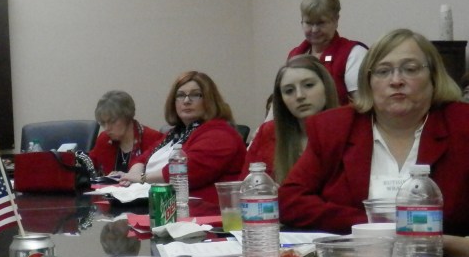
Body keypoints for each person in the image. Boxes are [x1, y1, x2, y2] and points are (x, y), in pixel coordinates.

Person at [280, 28, 469, 236]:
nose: (396, 80)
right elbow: (289, 200)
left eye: (411, 69)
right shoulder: (335, 128)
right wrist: (372, 226)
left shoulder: (462, 125)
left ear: (433, 76)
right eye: (383, 71)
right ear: (368, 81)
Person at [120, 71, 247, 205]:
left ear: (210, 100)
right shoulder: (177, 133)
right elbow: (143, 158)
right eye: (180, 95)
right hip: (164, 206)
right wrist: (133, 175)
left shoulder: (221, 134)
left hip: (205, 215)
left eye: (195, 95)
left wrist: (141, 178)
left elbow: (185, 172)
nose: (186, 101)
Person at [244, 55, 339, 181]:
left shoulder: (351, 131)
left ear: (326, 87)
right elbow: (246, 187)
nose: (299, 96)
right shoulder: (268, 132)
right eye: (289, 91)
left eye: (309, 85)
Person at [287, 0, 367, 105]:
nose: (314, 30)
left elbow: (362, 106)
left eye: (321, 23)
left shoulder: (354, 54)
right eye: (309, 23)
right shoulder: (294, 55)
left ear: (336, 20)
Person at [88, 90, 162, 176]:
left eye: (112, 121)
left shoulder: (153, 139)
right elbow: (89, 167)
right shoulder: (104, 139)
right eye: (103, 123)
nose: (107, 128)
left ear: (127, 116)